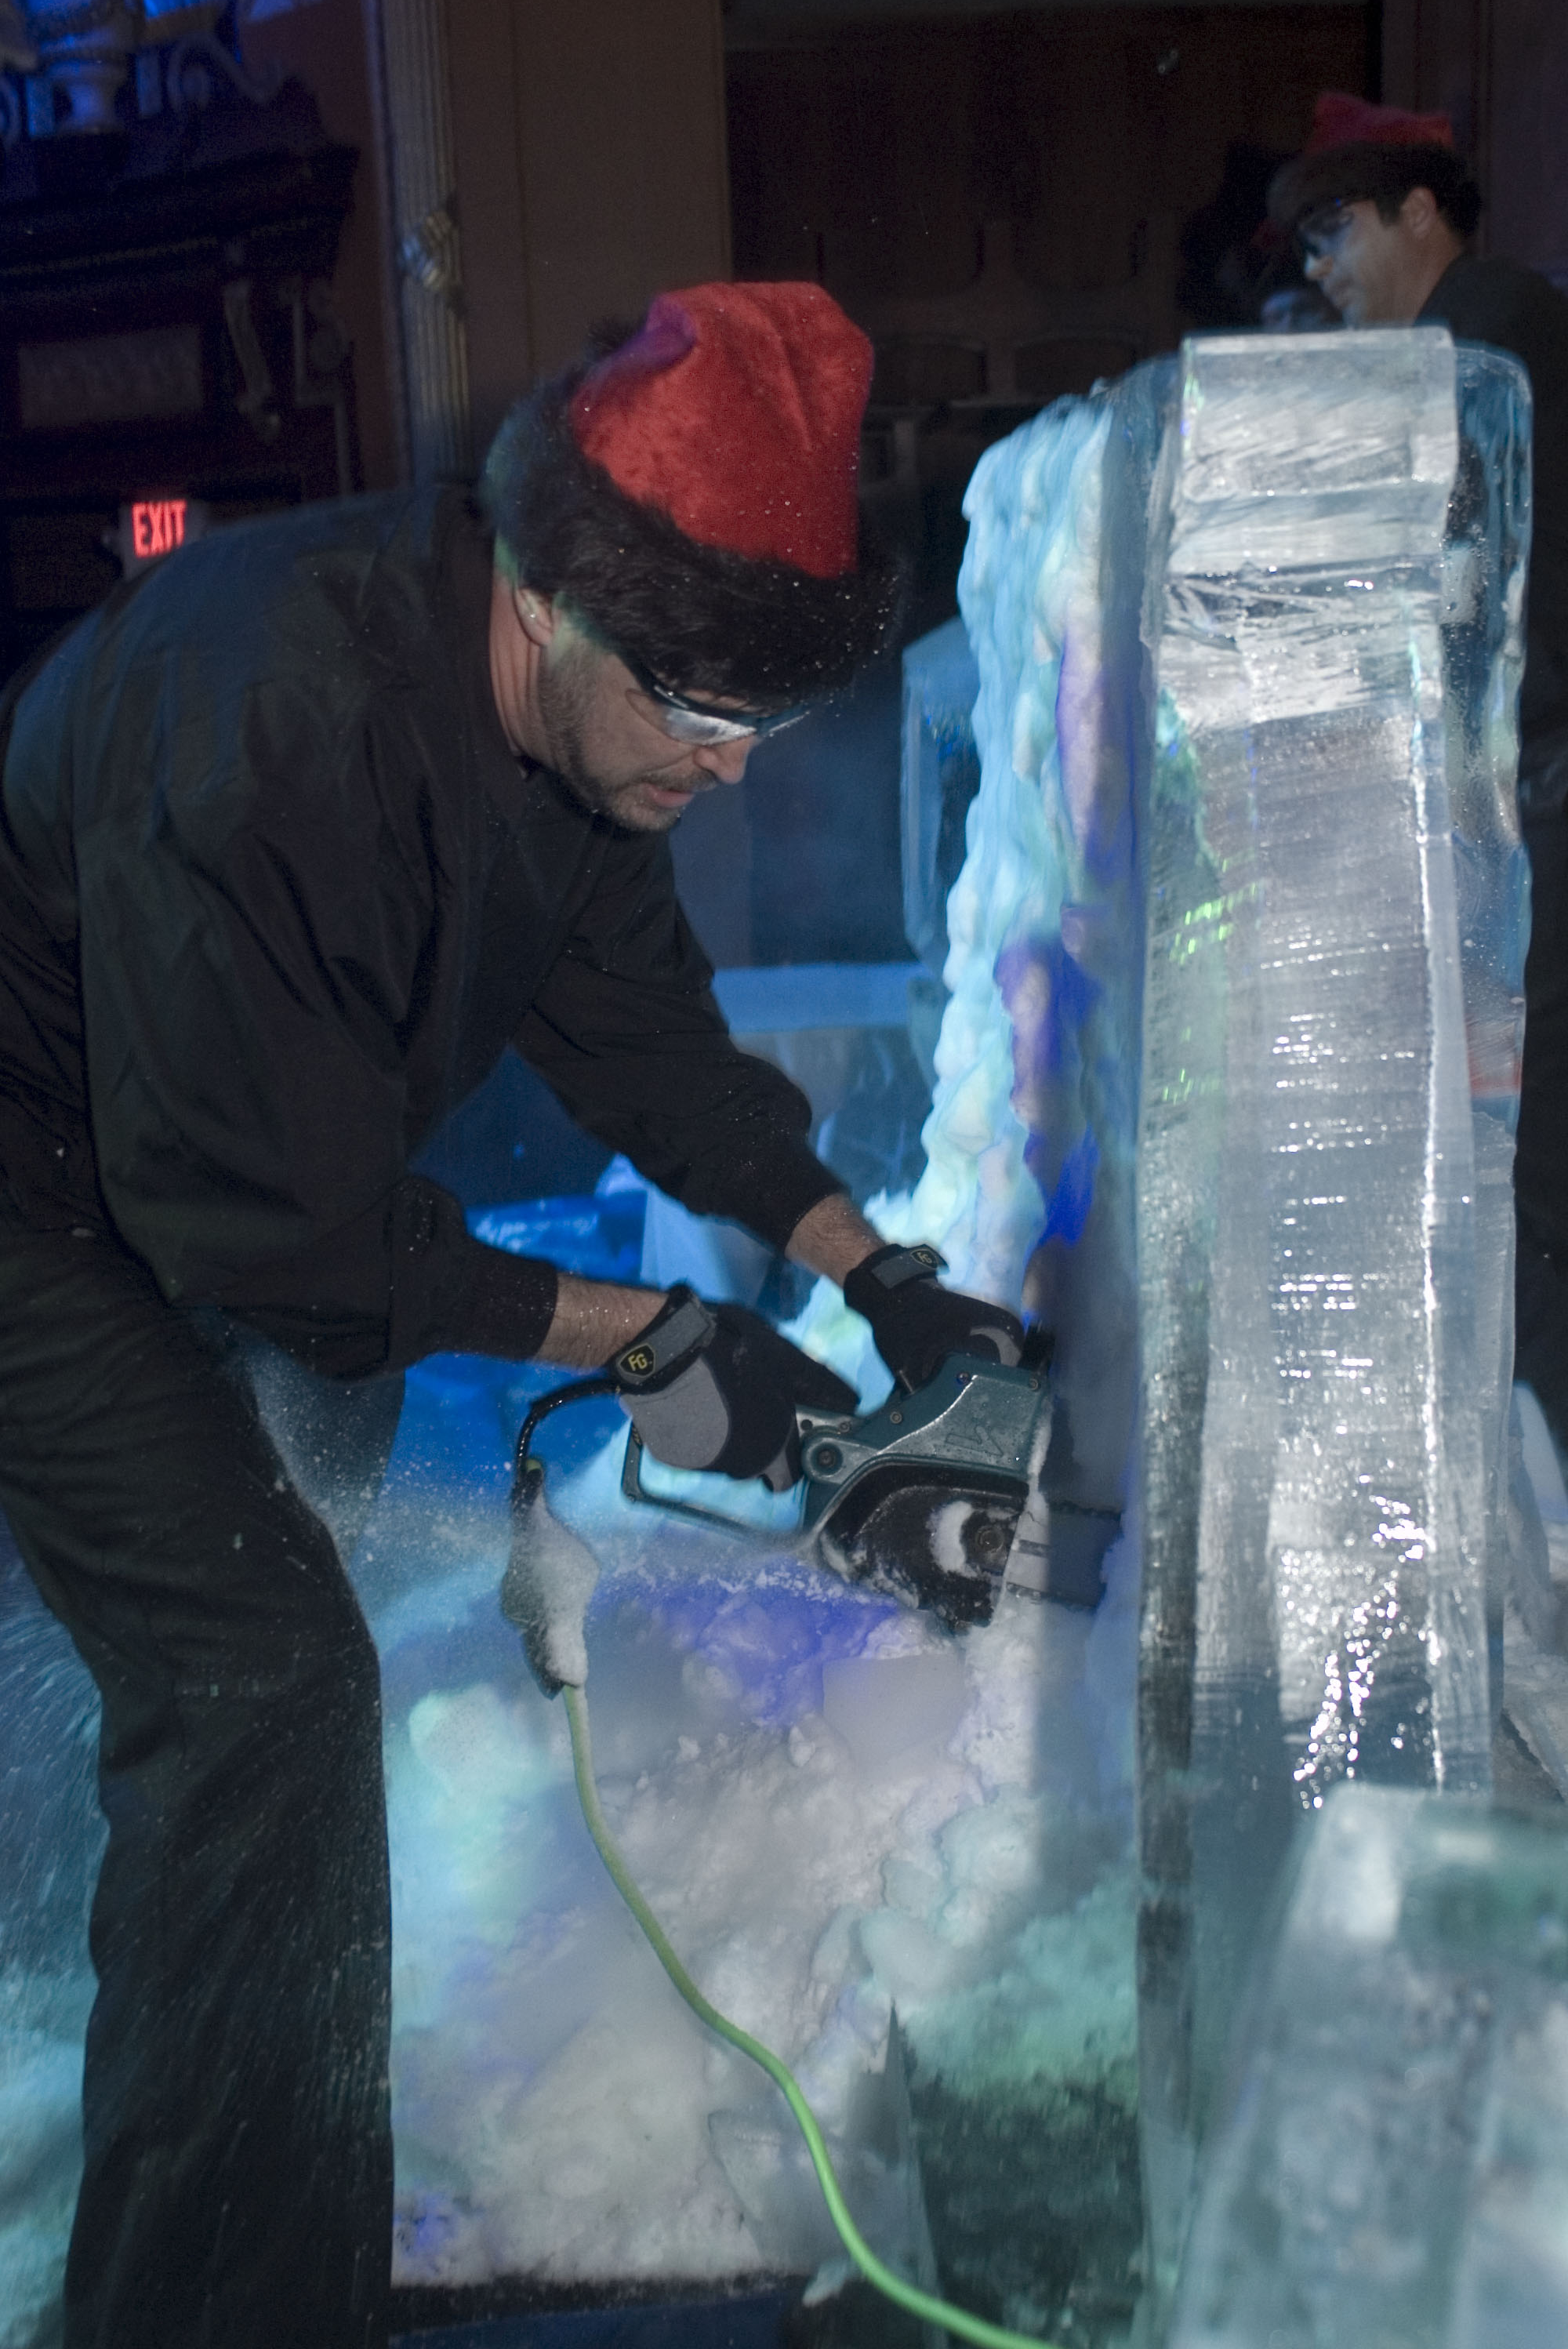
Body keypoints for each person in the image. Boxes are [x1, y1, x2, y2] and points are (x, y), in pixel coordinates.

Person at [0, 281, 1024, 2349]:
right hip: (44, 1196)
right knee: (261, 1680)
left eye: (765, 730)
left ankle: (280, 2191)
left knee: (296, 1632)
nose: (728, 770)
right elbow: (266, 1235)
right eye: (702, 714)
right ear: (554, 599)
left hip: (245, 1164)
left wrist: (871, 1266)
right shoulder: (264, 722)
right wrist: (643, 1337)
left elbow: (647, 1038)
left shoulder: (579, 751)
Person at [1271, 94, 1568, 1448]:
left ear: (1421, 210)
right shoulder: (1474, 343)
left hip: (1546, 801)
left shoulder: (1490, 337)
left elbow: (1455, 590)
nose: (1320, 266)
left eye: (1335, 229)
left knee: (1527, 1172)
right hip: (1525, 796)